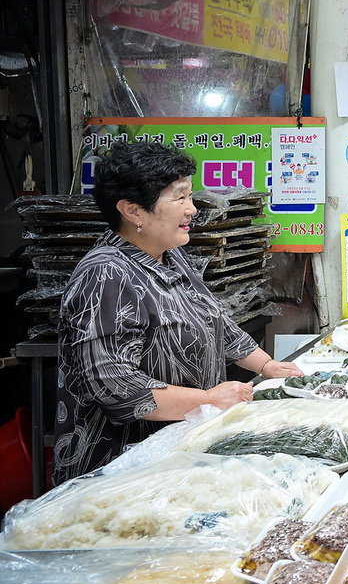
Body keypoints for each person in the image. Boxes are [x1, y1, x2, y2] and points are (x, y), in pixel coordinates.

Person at [53, 142, 303, 484]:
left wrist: (267, 365)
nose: (192, 209)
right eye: (179, 197)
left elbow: (217, 322)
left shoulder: (170, 255)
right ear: (133, 211)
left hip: (181, 450)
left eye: (190, 195)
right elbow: (115, 386)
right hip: (125, 469)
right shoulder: (106, 274)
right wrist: (208, 399)